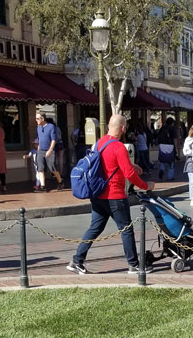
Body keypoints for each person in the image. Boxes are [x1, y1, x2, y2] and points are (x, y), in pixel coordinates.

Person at [66, 114, 155, 275]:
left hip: (98, 194)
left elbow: (110, 164)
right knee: (126, 229)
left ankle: (76, 260)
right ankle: (133, 265)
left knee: (94, 228)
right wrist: (144, 185)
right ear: (122, 128)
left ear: (108, 127)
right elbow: (128, 174)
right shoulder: (119, 147)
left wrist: (131, 164)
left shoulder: (99, 143)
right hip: (115, 195)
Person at [34, 111, 64, 191]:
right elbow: (39, 139)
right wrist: (38, 148)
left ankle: (60, 182)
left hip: (49, 150)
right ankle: (42, 186)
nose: (36, 120)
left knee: (52, 168)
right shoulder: (38, 128)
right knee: (40, 168)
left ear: (42, 118)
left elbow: (54, 140)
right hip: (41, 150)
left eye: (37, 118)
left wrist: (50, 150)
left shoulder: (51, 127)